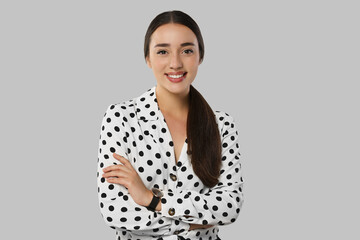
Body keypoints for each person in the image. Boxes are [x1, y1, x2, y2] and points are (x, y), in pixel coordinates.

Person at [97, 10, 244, 240]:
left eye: (186, 51)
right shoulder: (121, 117)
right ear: (147, 58)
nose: (175, 63)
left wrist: (152, 199)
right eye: (163, 51)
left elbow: (229, 206)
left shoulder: (221, 125)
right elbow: (115, 211)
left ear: (200, 56)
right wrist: (193, 225)